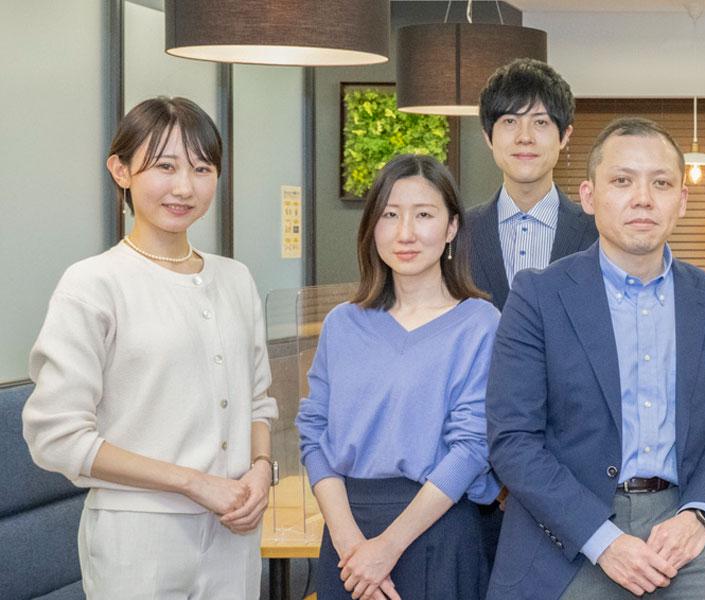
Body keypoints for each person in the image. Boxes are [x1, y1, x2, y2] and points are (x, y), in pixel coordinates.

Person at [484, 117, 705, 600]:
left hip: (682, 520)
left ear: (681, 200)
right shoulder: (538, 296)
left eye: (661, 183)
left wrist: (698, 515)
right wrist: (603, 540)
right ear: (589, 196)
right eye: (622, 181)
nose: (643, 198)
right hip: (570, 530)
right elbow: (513, 440)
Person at [22, 96, 276, 598]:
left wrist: (263, 469)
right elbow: (56, 436)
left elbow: (259, 401)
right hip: (139, 535)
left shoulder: (236, 279)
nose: (185, 187)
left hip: (235, 528)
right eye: (165, 166)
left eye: (202, 168)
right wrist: (192, 482)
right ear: (121, 171)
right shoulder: (93, 283)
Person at [296, 154, 501, 600]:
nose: (405, 232)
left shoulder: (479, 323)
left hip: (438, 529)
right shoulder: (342, 323)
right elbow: (314, 433)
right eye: (390, 215)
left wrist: (386, 548)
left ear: (451, 228)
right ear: (372, 227)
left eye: (423, 215)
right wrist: (352, 547)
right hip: (348, 539)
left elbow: (471, 447)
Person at [461, 58, 598, 310]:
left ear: (564, 136)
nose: (525, 137)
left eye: (540, 122)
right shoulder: (458, 233)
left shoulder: (598, 232)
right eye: (510, 121)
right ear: (488, 136)